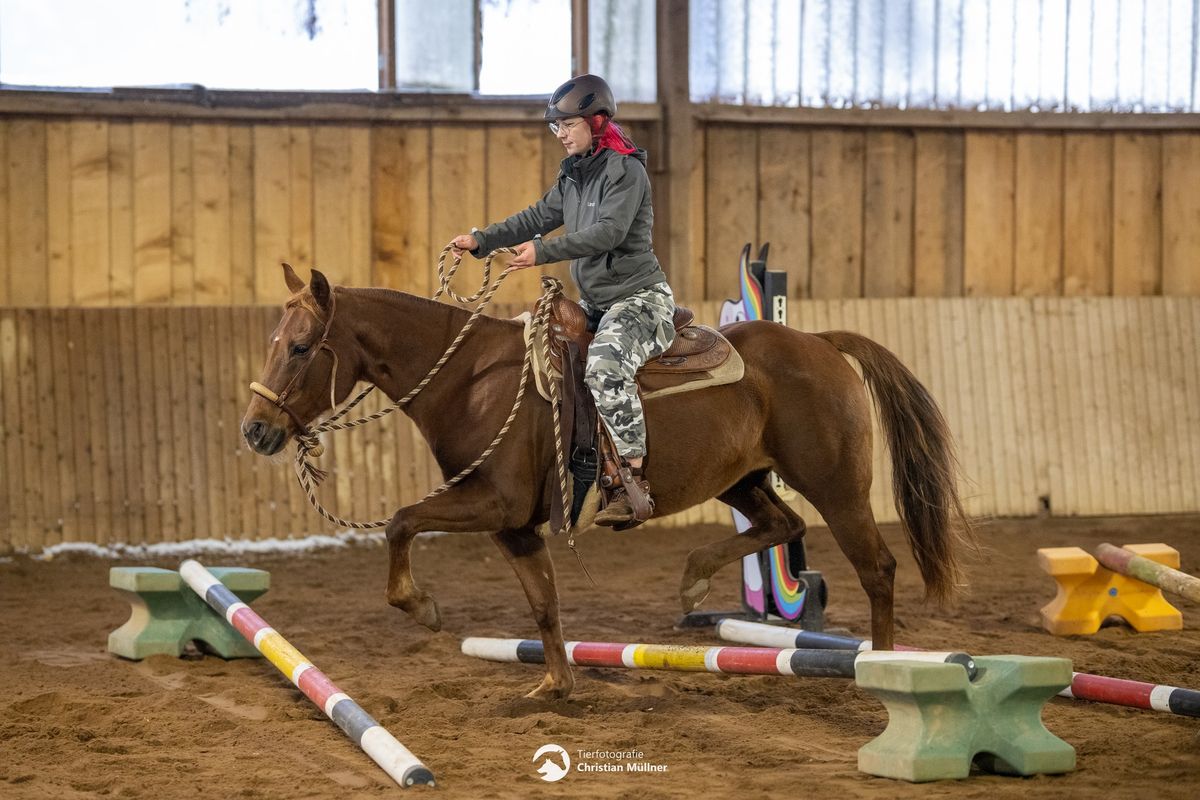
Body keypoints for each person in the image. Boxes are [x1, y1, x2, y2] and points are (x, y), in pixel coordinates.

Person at [450, 74, 675, 526]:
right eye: (556, 127)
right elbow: (538, 216)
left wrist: (542, 252)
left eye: (567, 125)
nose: (560, 135)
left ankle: (633, 479)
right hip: (596, 303)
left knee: (606, 365)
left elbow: (607, 233)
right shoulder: (573, 174)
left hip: (639, 300)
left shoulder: (625, 170)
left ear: (596, 122)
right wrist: (482, 240)